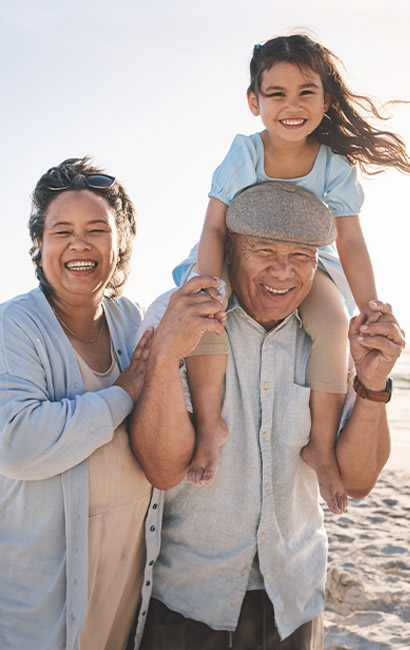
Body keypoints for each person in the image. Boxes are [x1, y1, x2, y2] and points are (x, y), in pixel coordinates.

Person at [130, 182, 405, 650]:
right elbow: (160, 467)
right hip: (188, 600)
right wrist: (163, 357)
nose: (283, 271)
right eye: (264, 251)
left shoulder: (334, 334)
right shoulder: (174, 315)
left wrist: (372, 384)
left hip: (293, 599)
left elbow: (357, 482)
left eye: (302, 256)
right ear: (231, 250)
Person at [176, 34, 410, 514]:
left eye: (306, 92)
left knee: (330, 327)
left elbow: (351, 242)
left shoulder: (334, 163)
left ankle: (321, 446)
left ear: (326, 99)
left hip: (307, 264)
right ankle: (208, 425)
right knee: (207, 319)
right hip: (230, 255)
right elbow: (214, 225)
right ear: (253, 101)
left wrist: (369, 309)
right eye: (276, 93)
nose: (292, 105)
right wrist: (207, 284)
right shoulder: (244, 153)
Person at [0, 158, 195, 650]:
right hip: (38, 604)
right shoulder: (15, 326)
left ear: (120, 243)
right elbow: (17, 442)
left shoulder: (130, 321)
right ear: (39, 245)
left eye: (96, 230)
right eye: (60, 230)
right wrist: (124, 392)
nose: (79, 244)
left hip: (124, 584)